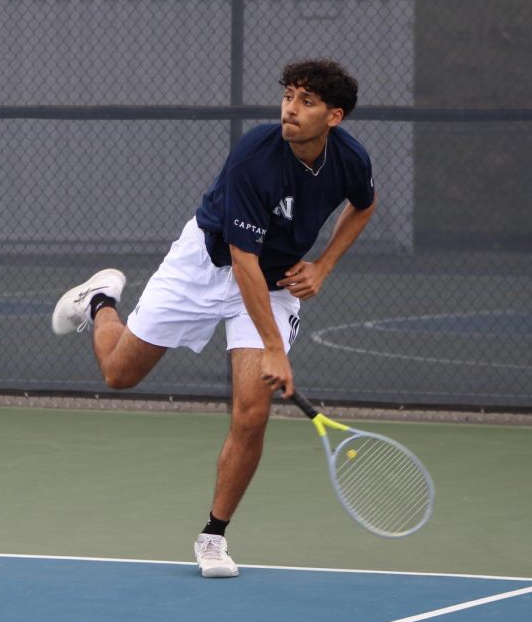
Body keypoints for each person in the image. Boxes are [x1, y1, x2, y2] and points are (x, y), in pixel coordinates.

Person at [51, 59, 376, 578]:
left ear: (334, 117)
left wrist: (324, 265)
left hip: (275, 285)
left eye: (307, 101)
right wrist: (273, 347)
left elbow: (364, 204)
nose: (291, 109)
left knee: (252, 411)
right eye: (289, 96)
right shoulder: (256, 155)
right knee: (119, 373)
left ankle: (213, 535)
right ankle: (99, 300)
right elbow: (242, 260)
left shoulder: (351, 160)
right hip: (206, 266)